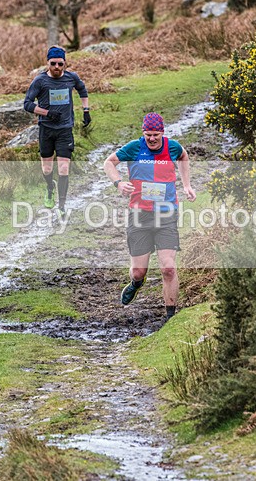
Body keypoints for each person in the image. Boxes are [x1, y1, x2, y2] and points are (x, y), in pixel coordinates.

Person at [103, 112, 196, 321]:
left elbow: (183, 156)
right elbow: (108, 163)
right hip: (140, 216)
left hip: (166, 214)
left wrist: (187, 185)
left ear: (162, 132)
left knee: (168, 268)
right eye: (148, 135)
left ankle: (170, 317)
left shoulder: (172, 147)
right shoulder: (134, 147)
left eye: (155, 135)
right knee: (138, 271)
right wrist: (119, 183)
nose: (152, 139)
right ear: (143, 133)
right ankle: (136, 283)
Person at [23, 46, 90, 215]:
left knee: (63, 168)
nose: (57, 67)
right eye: (53, 63)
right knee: (47, 169)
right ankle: (50, 187)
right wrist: (47, 113)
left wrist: (86, 110)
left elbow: (82, 90)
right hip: (46, 130)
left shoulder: (71, 77)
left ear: (65, 63)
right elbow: (27, 104)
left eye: (60, 64)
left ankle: (61, 206)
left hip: (65, 130)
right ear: (47, 63)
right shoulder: (40, 81)